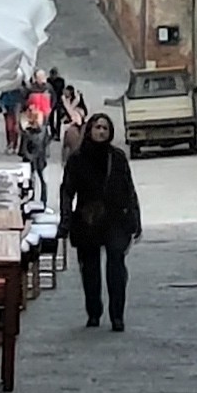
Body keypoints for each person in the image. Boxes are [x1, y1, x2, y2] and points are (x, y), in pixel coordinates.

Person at [60, 113, 141, 331]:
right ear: (90, 130)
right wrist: (65, 220)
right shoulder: (77, 159)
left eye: (105, 128)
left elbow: (128, 188)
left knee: (116, 266)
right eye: (97, 127)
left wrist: (136, 217)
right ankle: (94, 312)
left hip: (115, 218)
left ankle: (117, 315)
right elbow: (67, 191)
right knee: (90, 270)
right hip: (88, 218)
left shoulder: (117, 157)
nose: (101, 132)